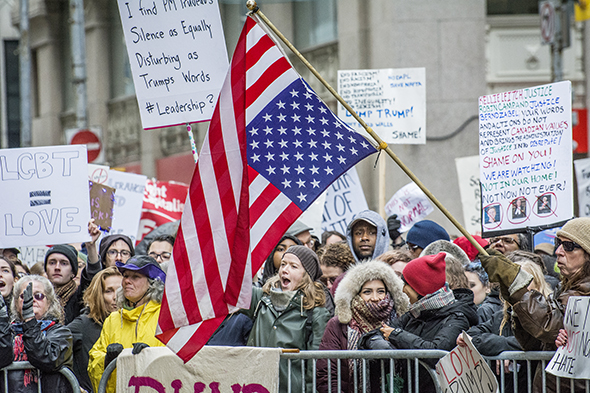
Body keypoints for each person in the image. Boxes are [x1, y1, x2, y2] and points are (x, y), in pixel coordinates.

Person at [480, 217, 590, 393]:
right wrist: (513, 295)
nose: (559, 251)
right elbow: (535, 343)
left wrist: (517, 283)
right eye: (558, 243)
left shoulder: (585, 292)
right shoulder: (564, 289)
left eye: (569, 246)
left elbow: (550, 327)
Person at [375, 253, 478, 392]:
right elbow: (375, 334)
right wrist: (385, 348)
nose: (403, 289)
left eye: (407, 284)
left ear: (420, 288)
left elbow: (436, 352)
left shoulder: (457, 317)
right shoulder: (415, 313)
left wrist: (396, 336)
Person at [243, 245, 330, 393]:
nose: (285, 269)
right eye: (283, 264)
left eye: (293, 266)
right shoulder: (261, 298)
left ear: (306, 275)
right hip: (254, 386)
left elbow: (315, 365)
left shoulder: (315, 313)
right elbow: (232, 291)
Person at [458, 259, 552, 393]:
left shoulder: (548, 313)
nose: (516, 286)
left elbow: (536, 342)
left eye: (523, 281)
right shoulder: (501, 316)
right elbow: (472, 335)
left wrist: (502, 347)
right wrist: (501, 349)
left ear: (538, 285)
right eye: (511, 281)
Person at [317, 260, 409, 393]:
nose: (375, 298)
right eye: (367, 292)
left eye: (380, 291)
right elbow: (326, 373)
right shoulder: (338, 324)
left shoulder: (400, 321)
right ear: (356, 294)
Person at [88, 256, 166, 393]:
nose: (127, 281)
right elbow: (93, 362)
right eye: (125, 276)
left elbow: (175, 361)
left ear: (152, 283)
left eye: (135, 277)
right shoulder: (113, 319)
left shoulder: (165, 317)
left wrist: (152, 356)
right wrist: (107, 360)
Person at [0, 276, 74, 393]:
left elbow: (47, 358)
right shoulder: (9, 332)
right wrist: (1, 320)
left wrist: (29, 320)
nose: (32, 300)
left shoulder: (61, 332)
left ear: (49, 302)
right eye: (25, 296)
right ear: (15, 303)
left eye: (38, 296)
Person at [68, 267, 122, 393]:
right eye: (109, 291)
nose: (116, 297)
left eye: (120, 290)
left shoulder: (132, 322)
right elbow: (54, 350)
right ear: (99, 296)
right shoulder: (84, 324)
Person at [44, 244, 101, 324]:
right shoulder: (38, 297)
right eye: (52, 263)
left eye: (64, 263)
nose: (57, 267)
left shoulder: (80, 297)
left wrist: (91, 247)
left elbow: (94, 276)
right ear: (46, 269)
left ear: (73, 272)